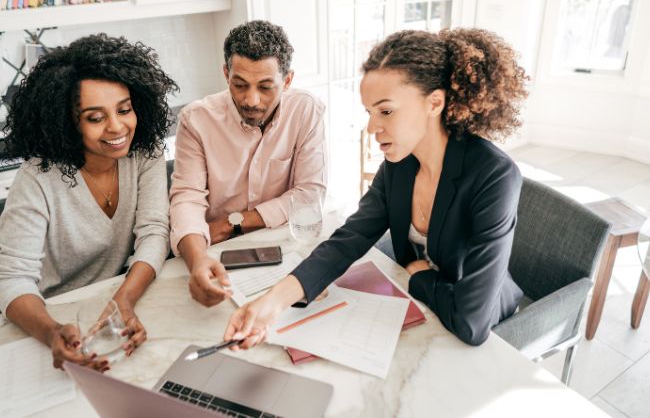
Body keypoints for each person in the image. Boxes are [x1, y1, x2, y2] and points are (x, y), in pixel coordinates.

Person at [224, 28, 529, 348]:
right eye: (369, 112)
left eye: (386, 111)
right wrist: (271, 303)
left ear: (434, 103)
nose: (372, 128)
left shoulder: (493, 176)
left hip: (489, 333)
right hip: (427, 311)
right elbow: (349, 238)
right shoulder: (401, 164)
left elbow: (472, 323)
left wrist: (418, 275)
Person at [0, 34, 178, 371]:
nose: (117, 127)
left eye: (124, 109)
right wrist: (52, 332)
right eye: (96, 118)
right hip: (44, 317)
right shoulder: (37, 177)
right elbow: (11, 281)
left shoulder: (144, 152)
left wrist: (123, 300)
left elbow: (154, 232)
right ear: (68, 123)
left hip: (114, 301)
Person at [170, 20, 327, 308]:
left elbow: (309, 195)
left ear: (288, 81)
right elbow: (186, 199)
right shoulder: (196, 120)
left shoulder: (306, 110)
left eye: (266, 87)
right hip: (217, 252)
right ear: (226, 73)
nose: (251, 100)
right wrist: (197, 263)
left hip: (283, 245)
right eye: (239, 84)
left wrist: (234, 223)